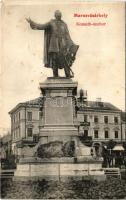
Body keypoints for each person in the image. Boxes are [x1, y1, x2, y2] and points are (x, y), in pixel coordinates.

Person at [26, 10, 79, 78]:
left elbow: (67, 36)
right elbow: (41, 26)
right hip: (54, 45)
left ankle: (68, 74)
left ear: (61, 15)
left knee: (64, 59)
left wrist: (73, 45)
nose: (58, 15)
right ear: (55, 15)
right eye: (57, 14)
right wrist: (31, 22)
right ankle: (55, 76)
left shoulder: (64, 24)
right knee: (54, 60)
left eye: (60, 14)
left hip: (63, 45)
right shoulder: (51, 23)